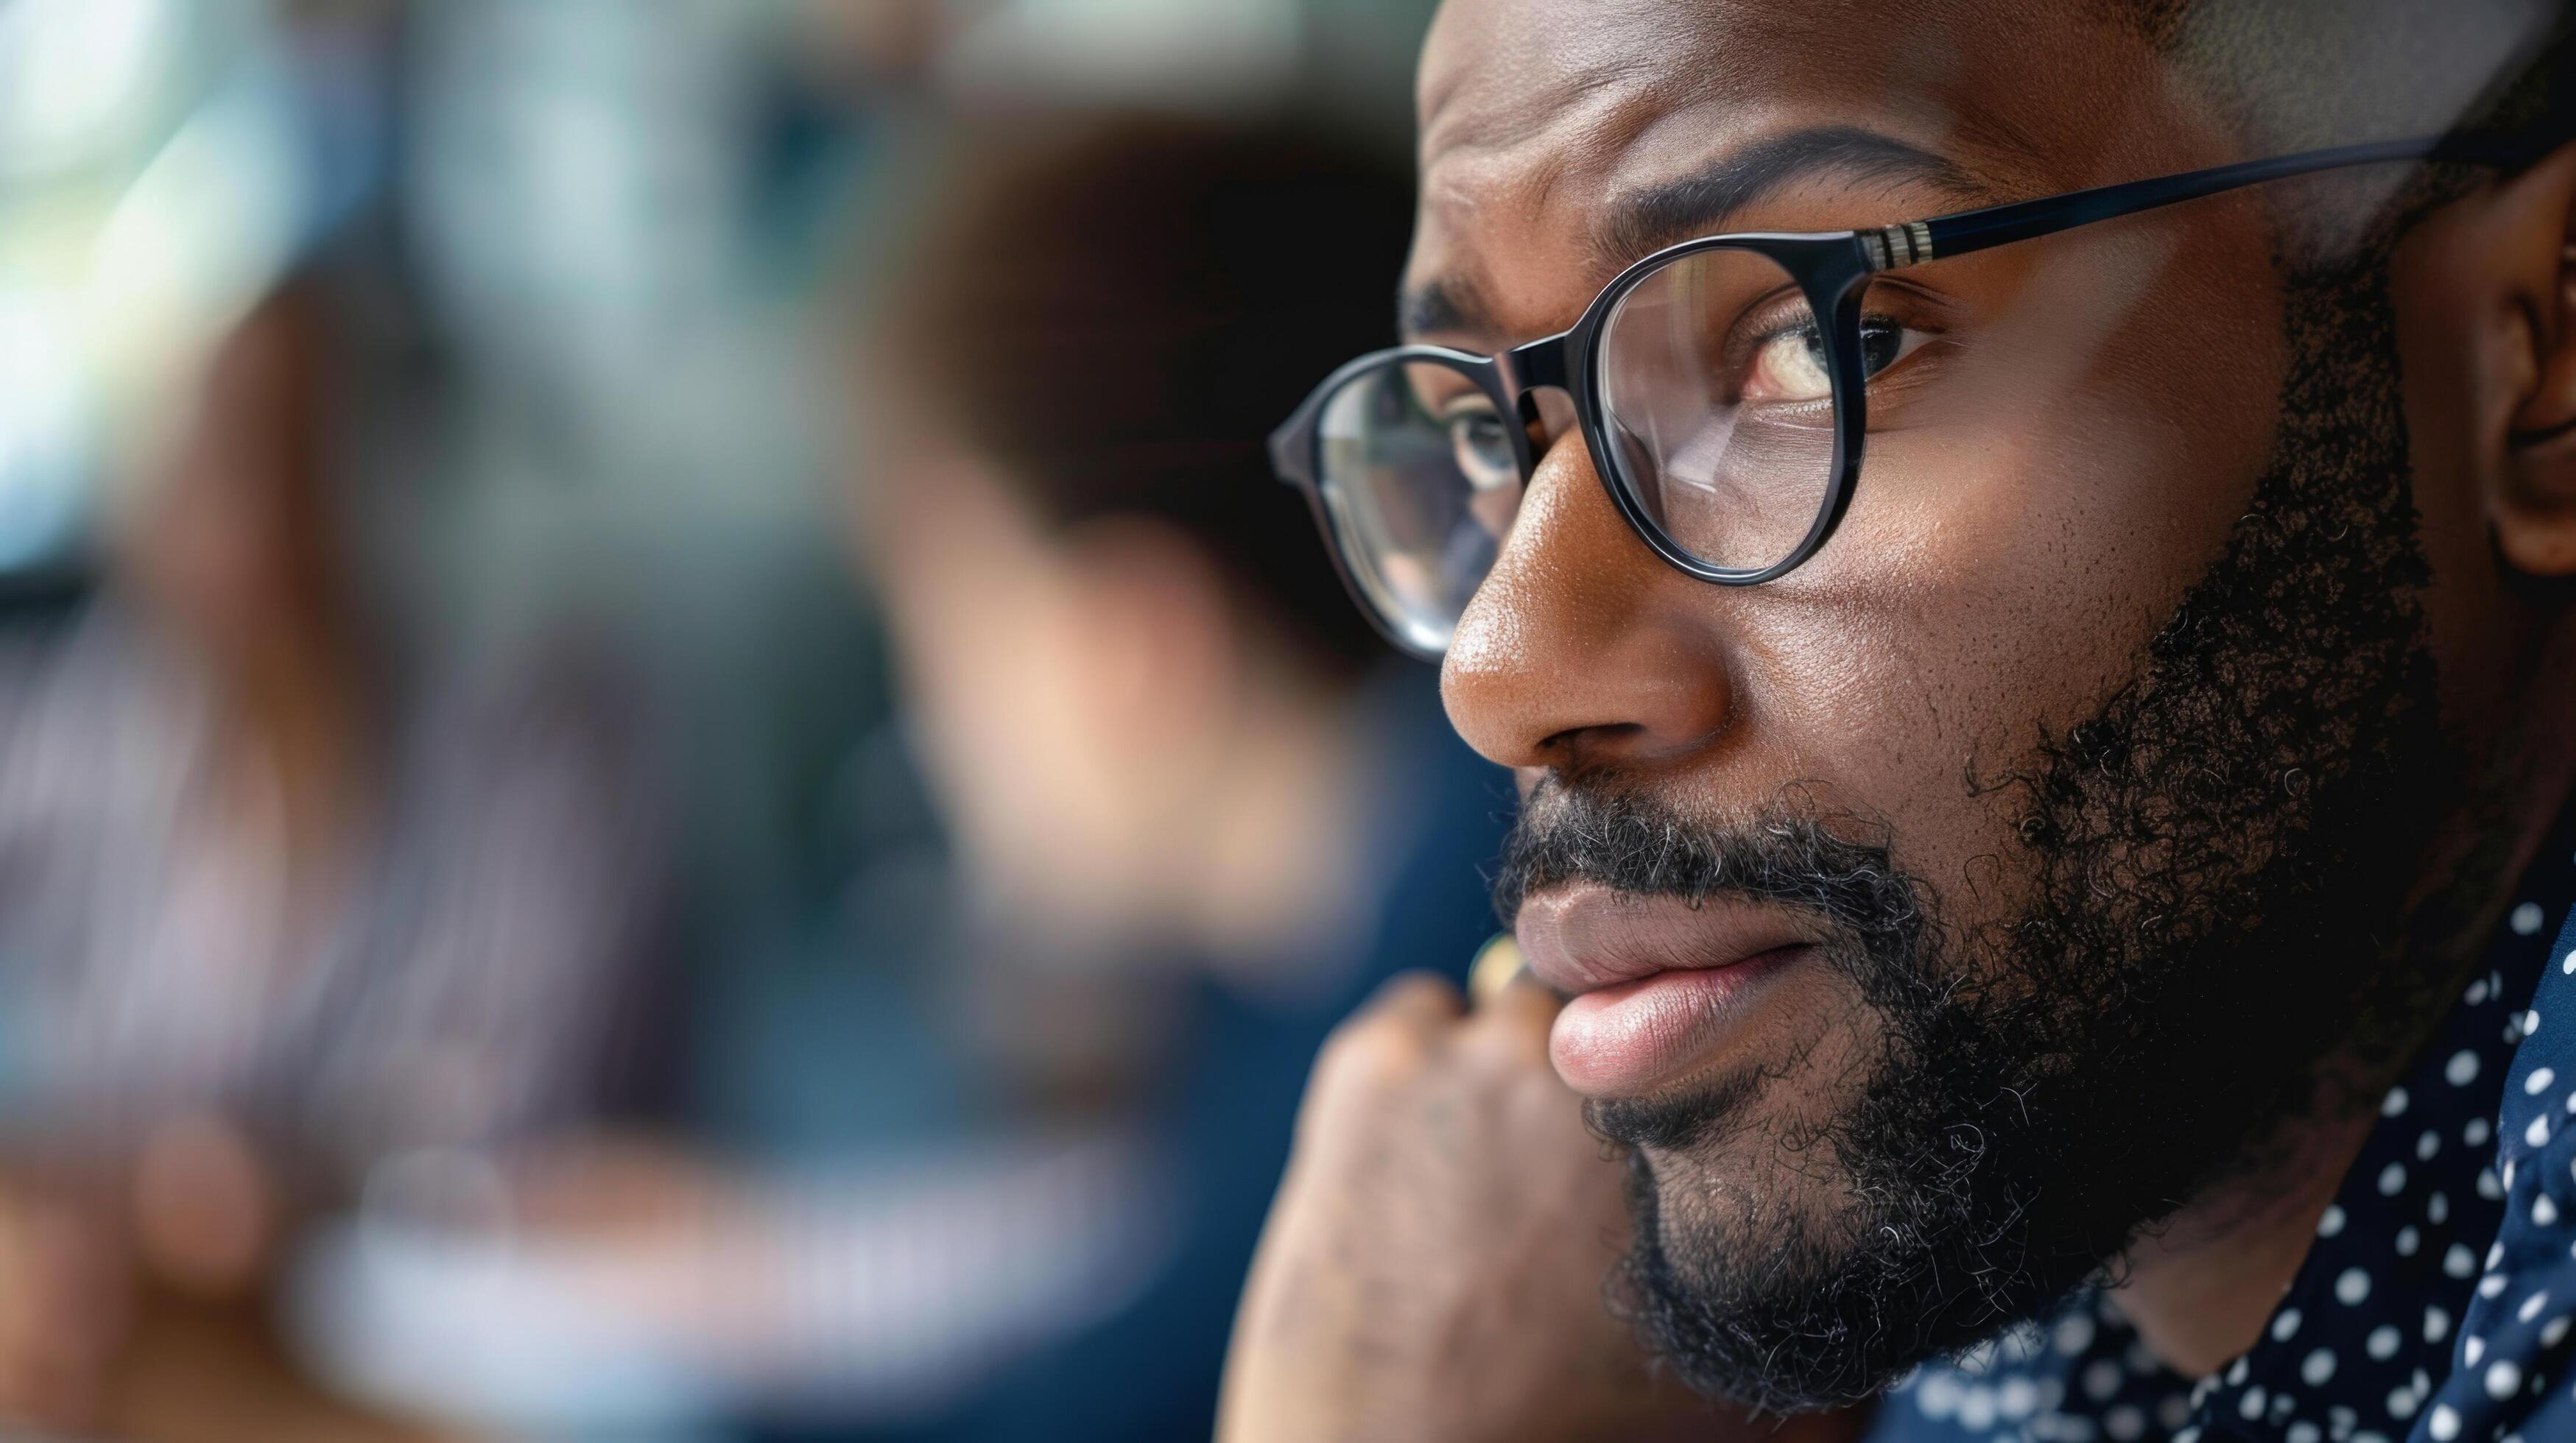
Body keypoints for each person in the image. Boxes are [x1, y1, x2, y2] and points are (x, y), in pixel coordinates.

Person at [1215, 1, 2576, 1440]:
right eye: (1494, 435)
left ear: (2540, 356)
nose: (1501, 674)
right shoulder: (2035, 1287)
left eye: (1825, 347)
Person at [845, 114, 1515, 1439]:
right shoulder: (1297, 970)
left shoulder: (1421, 1048)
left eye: (925, 614)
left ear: (1133, 640)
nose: (922, 721)